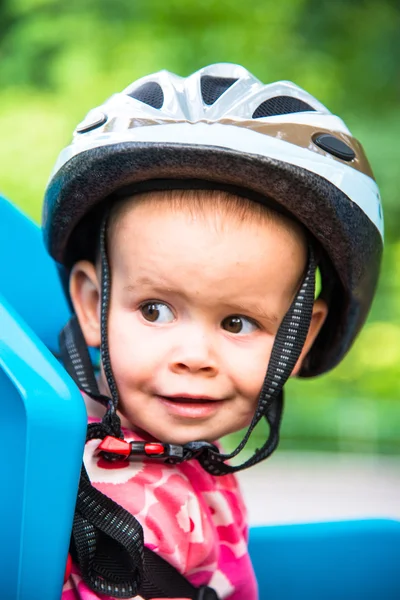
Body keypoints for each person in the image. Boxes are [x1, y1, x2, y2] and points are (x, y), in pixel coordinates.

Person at [42, 63, 383, 600]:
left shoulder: (184, 457)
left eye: (237, 323)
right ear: (92, 305)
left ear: (300, 337)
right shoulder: (107, 506)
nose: (194, 356)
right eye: (154, 311)